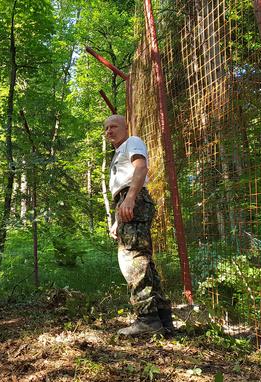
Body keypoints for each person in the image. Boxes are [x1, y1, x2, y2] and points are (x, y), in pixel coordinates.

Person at [104, 114, 174, 336]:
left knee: (132, 259)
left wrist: (131, 198)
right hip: (127, 203)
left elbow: (141, 169)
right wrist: (117, 219)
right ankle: (163, 321)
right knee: (144, 261)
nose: (109, 131)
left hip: (133, 199)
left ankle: (147, 320)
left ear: (126, 127)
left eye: (113, 126)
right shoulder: (118, 153)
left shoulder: (132, 142)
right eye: (106, 128)